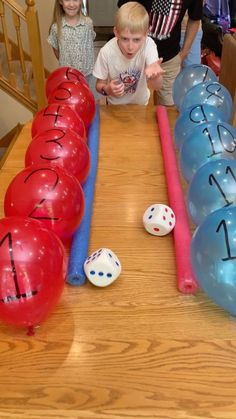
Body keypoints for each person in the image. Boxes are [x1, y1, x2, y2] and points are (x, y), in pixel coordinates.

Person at [117, 0, 203, 106]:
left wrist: (184, 52)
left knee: (168, 106)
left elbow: (195, 18)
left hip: (169, 56)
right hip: (134, 54)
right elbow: (124, 11)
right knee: (127, 104)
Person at [93, 2, 164, 105]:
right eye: (125, 39)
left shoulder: (149, 45)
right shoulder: (106, 52)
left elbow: (157, 86)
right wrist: (107, 89)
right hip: (115, 106)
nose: (130, 47)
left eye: (136, 40)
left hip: (141, 105)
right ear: (116, 32)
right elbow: (99, 85)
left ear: (146, 34)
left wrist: (156, 76)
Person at [48, 0, 97, 97]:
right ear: (61, 2)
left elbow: (90, 42)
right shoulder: (56, 27)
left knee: (91, 100)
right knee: (71, 101)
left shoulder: (88, 23)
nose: (71, 4)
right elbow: (56, 50)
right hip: (68, 77)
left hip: (88, 75)